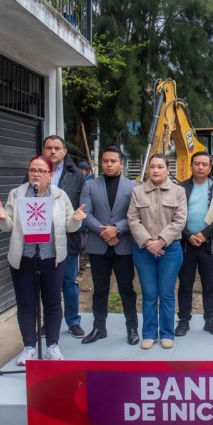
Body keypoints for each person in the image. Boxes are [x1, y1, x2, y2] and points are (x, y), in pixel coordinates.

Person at [0, 155, 86, 364]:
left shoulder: (59, 195)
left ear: (50, 175)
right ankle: (29, 347)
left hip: (52, 257)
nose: (36, 174)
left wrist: (76, 219)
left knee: (53, 302)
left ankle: (52, 345)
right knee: (26, 304)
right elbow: (8, 226)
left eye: (41, 171)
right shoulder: (16, 194)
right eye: (32, 170)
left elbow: (69, 226)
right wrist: (3, 218)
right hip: (24, 257)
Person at [80, 146, 139, 345]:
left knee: (127, 288)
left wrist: (117, 229)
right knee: (100, 289)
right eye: (105, 161)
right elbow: (85, 214)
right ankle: (99, 328)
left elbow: (136, 215)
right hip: (98, 246)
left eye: (113, 161)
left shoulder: (133, 187)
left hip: (124, 246)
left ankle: (132, 328)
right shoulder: (90, 185)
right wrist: (105, 232)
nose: (109, 164)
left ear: (121, 163)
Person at [128, 154, 187, 349]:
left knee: (167, 293)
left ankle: (167, 333)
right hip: (143, 251)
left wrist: (161, 242)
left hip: (170, 250)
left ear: (168, 169)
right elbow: (133, 219)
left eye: (160, 166)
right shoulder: (137, 191)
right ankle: (149, 334)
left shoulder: (178, 191)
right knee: (149, 293)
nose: (155, 170)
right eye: (152, 166)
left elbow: (180, 220)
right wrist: (148, 242)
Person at [174, 151, 213, 337]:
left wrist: (204, 234)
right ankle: (183, 320)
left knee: (209, 284)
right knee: (185, 284)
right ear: (191, 166)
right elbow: (175, 215)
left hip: (208, 245)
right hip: (186, 244)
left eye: (204, 164)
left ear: (210, 168)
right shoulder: (181, 188)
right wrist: (188, 235)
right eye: (197, 163)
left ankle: (210, 320)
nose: (200, 167)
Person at [41, 135, 87, 338]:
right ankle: (49, 322)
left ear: (64, 151)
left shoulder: (76, 174)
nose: (52, 151)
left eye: (57, 148)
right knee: (47, 284)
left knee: (69, 282)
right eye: (48, 147)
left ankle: (73, 321)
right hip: (42, 238)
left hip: (68, 236)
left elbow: (83, 204)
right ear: (44, 150)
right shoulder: (35, 171)